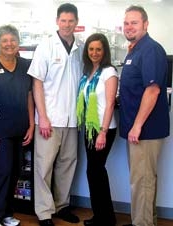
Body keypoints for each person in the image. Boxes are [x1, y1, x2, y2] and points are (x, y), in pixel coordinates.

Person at [27, 3, 84, 226]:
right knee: (44, 166)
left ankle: (61, 206)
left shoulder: (80, 49)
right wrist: (43, 116)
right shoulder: (46, 46)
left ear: (76, 23)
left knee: (68, 164)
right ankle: (44, 212)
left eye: (71, 21)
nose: (67, 25)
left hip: (72, 120)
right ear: (57, 21)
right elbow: (37, 83)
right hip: (49, 120)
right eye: (63, 20)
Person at [119, 5, 170, 226]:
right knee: (143, 182)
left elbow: (153, 90)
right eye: (126, 23)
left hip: (145, 131)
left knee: (142, 182)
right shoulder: (135, 49)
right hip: (137, 129)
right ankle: (145, 221)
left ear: (146, 24)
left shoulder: (150, 49)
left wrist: (137, 125)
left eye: (134, 22)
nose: (129, 27)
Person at [0, 25, 34, 226]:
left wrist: (31, 125)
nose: (9, 44)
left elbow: (30, 96)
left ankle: (5, 213)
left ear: (18, 42)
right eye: (4, 41)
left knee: (14, 171)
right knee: (1, 171)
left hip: (20, 129)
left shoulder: (25, 65)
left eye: (12, 40)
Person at [76, 33, 118, 226]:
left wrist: (102, 132)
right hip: (89, 128)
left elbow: (110, 104)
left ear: (105, 51)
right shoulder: (88, 71)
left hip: (103, 129)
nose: (94, 53)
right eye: (91, 49)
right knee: (93, 172)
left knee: (96, 171)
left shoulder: (109, 72)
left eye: (98, 49)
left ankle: (106, 218)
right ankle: (101, 216)